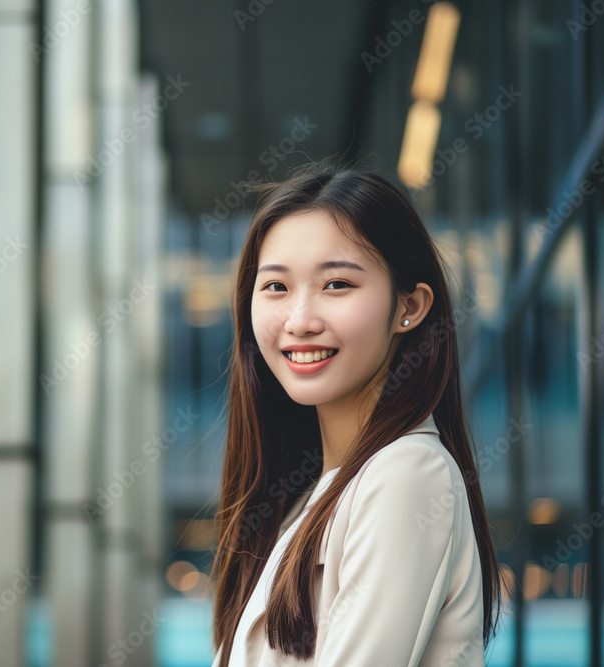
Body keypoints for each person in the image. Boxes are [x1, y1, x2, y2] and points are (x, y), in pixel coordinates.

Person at [206, 157, 503, 666]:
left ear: (409, 307)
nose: (299, 321)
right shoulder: (304, 500)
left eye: (337, 285)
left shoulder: (407, 472)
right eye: (276, 286)